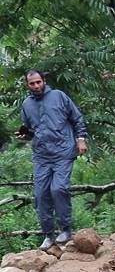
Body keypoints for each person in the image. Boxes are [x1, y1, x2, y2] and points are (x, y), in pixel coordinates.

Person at [16, 70, 88, 251]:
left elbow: (77, 118)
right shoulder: (26, 104)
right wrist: (25, 135)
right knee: (41, 195)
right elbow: (30, 130)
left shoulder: (59, 96)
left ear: (44, 81)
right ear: (28, 85)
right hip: (41, 155)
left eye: (38, 82)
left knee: (59, 188)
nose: (36, 86)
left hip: (63, 151)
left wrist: (81, 139)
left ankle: (66, 229)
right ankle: (49, 235)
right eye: (32, 84)